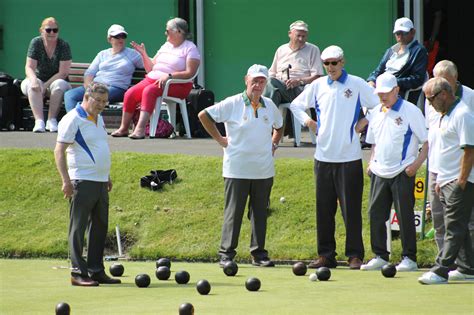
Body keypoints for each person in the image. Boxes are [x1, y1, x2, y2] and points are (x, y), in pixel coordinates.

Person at [290, 46, 379, 269]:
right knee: (324, 208)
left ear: (342, 62)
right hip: (323, 157)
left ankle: (355, 255)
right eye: (326, 63)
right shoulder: (317, 85)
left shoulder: (357, 84)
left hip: (349, 157)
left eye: (334, 63)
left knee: (351, 209)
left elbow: (377, 106)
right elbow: (296, 105)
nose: (330, 67)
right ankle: (326, 255)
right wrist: (309, 123)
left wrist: (363, 122)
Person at [198, 64, 283, 267]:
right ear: (246, 80)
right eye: (255, 80)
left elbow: (279, 126)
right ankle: (226, 254)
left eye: (262, 81)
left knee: (260, 213)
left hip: (263, 169)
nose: (258, 85)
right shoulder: (233, 103)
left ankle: (259, 254)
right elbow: (204, 115)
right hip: (237, 168)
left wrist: (274, 143)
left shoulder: (269, 105)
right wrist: (220, 139)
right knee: (233, 213)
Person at [54, 82, 120, 286]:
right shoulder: (73, 118)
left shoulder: (98, 119)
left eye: (104, 102)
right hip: (81, 180)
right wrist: (66, 180)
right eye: (97, 100)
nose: (101, 105)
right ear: (86, 97)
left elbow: (100, 148)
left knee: (100, 227)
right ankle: (77, 273)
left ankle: (96, 270)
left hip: (100, 182)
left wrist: (106, 176)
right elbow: (59, 151)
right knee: (78, 227)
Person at [360, 72, 428, 272]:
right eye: (380, 93)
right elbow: (373, 142)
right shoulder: (375, 112)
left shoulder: (411, 111)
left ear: (397, 90)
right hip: (379, 171)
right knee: (375, 213)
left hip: (402, 170)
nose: (382, 96)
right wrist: (371, 163)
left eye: (386, 92)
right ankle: (380, 255)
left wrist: (415, 166)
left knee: (404, 215)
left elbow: (427, 142)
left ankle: (409, 258)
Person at [418, 77, 474, 284]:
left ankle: (441, 269)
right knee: (459, 226)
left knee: (454, 226)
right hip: (446, 179)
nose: (429, 104)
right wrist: (441, 178)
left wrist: (461, 180)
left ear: (443, 94)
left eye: (431, 99)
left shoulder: (463, 115)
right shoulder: (442, 115)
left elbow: (470, 150)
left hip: (460, 181)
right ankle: (468, 268)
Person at [111, 17, 200, 139]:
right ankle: (124, 128)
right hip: (153, 80)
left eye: (167, 30)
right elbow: (150, 68)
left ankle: (140, 129)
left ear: (178, 32)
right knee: (130, 93)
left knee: (149, 91)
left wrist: (169, 76)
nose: (165, 33)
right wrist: (144, 54)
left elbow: (190, 72)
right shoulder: (166, 46)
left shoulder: (190, 48)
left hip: (177, 84)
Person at [64, 24, 143, 112]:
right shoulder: (102, 54)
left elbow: (150, 65)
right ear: (109, 39)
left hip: (116, 88)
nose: (121, 39)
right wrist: (89, 88)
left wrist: (143, 53)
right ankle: (73, 123)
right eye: (117, 36)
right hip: (95, 86)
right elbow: (89, 73)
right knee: (70, 95)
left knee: (95, 97)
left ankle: (84, 123)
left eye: (123, 36)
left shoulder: (133, 54)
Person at [265, 20, 323, 138]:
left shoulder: (313, 49)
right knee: (271, 87)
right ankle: (271, 130)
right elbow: (272, 72)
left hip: (301, 90)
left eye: (304, 36)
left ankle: (265, 127)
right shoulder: (281, 50)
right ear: (290, 34)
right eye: (298, 36)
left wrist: (299, 81)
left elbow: (317, 76)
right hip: (281, 89)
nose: (301, 39)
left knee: (271, 85)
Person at [21, 17, 72, 133]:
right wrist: (34, 81)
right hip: (37, 79)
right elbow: (29, 67)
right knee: (33, 84)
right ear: (41, 30)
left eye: (55, 30)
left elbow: (63, 73)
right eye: (48, 30)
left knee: (58, 85)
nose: (52, 33)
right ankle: (39, 121)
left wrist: (45, 85)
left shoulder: (63, 45)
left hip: (56, 81)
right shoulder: (36, 43)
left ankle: (52, 120)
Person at [367, 17, 428, 105]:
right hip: (381, 86)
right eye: (397, 33)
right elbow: (378, 71)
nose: (400, 36)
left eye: (404, 32)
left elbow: (417, 79)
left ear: (413, 32)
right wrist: (372, 80)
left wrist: (392, 82)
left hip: (397, 92)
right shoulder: (391, 50)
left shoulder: (419, 51)